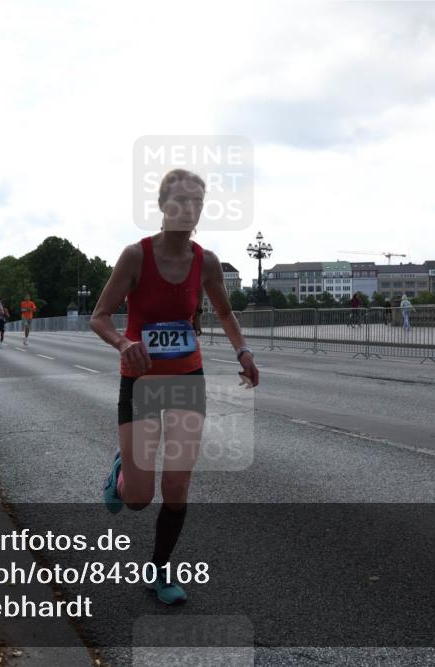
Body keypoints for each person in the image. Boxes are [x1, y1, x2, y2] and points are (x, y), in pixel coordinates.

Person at [90, 169, 259, 605]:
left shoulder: (206, 262)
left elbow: (224, 313)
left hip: (186, 378)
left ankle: (160, 570)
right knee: (139, 499)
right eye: (178, 201)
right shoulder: (136, 257)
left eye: (196, 203)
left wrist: (243, 353)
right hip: (141, 381)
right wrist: (125, 343)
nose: (187, 209)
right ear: (162, 207)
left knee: (178, 489)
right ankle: (122, 472)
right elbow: (100, 315)